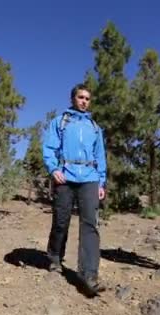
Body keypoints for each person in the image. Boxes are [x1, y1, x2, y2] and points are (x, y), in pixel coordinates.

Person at [42, 83, 107, 294]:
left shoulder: (95, 128)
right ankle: (54, 257)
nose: (84, 101)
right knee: (61, 221)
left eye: (87, 98)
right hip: (65, 177)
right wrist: (53, 169)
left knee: (90, 225)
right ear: (73, 99)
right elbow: (49, 148)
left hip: (89, 178)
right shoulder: (60, 122)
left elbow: (100, 157)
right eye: (81, 97)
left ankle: (89, 275)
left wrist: (101, 181)